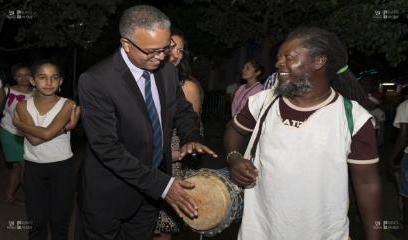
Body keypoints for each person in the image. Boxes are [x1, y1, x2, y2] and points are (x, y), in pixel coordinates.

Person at [224, 27, 382, 240]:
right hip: (259, 232)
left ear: (318, 61)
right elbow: (233, 130)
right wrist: (234, 158)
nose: (279, 63)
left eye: (288, 57)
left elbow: (367, 184)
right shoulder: (263, 102)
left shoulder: (353, 118)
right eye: (279, 58)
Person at [76, 5, 217, 240]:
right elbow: (107, 149)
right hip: (110, 192)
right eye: (152, 51)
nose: (162, 57)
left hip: (150, 195)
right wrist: (162, 185)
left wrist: (191, 136)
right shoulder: (96, 81)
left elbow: (182, 110)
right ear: (126, 44)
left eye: (166, 48)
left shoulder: (166, 71)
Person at [13, 60, 80, 240]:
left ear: (61, 82)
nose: (49, 82)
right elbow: (35, 140)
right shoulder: (22, 105)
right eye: (42, 77)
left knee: (59, 222)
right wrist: (66, 127)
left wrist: (18, 123)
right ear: (33, 81)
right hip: (33, 168)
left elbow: (47, 133)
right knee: (36, 222)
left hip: (62, 168)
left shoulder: (68, 104)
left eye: (54, 78)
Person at [154, 28, 204, 240]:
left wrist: (174, 154)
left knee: (164, 225)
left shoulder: (188, 86)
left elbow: (192, 128)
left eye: (181, 51)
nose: (176, 55)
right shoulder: (149, 79)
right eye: (171, 48)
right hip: (149, 158)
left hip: (174, 161)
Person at [0, 63, 33, 203]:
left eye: (27, 74)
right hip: (9, 133)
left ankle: (10, 197)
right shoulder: (7, 90)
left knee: (16, 168)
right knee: (26, 166)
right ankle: (34, 199)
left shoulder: (37, 93)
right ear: (14, 77)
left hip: (29, 136)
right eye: (19, 75)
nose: (23, 78)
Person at [388, 87, 408, 239]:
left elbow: (403, 135)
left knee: (406, 196)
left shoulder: (405, 106)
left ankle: (404, 231)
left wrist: (392, 158)